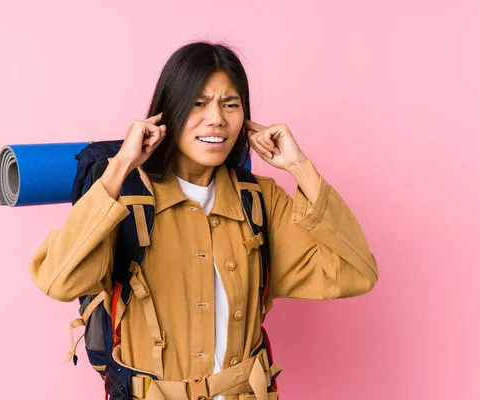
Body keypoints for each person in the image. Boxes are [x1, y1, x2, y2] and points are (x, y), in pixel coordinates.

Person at [30, 41, 379, 400]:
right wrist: (120, 166)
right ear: (169, 112)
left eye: (230, 104)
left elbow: (356, 272)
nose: (217, 118)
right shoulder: (124, 200)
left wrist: (300, 167)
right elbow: (58, 280)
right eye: (198, 103)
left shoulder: (260, 200)